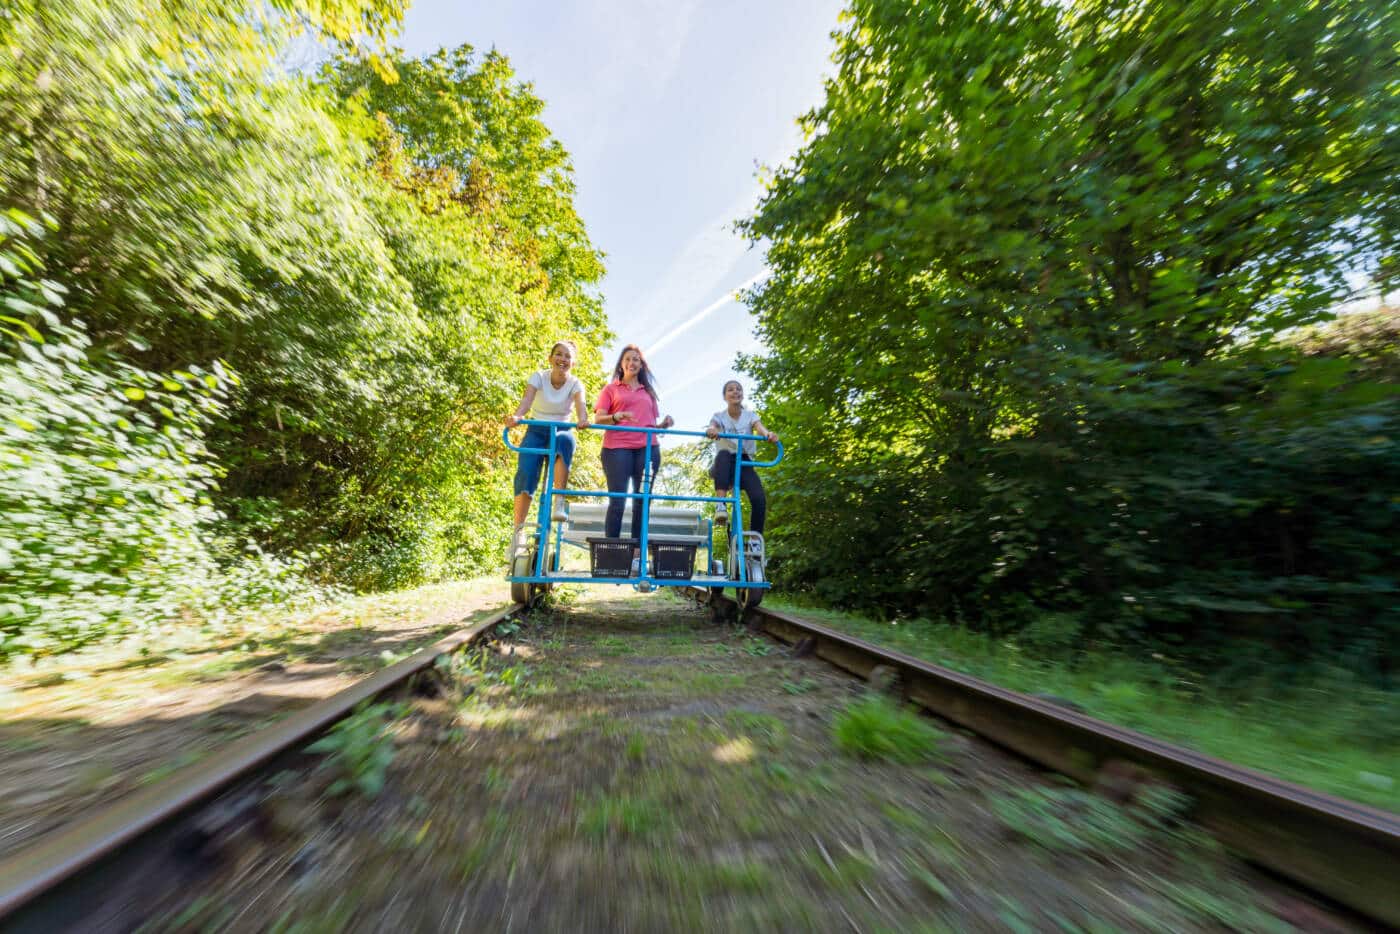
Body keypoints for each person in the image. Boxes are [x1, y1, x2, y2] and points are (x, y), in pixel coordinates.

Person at [505, 341, 589, 556]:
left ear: (573, 362)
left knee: (566, 442)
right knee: (527, 472)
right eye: (559, 355)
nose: (563, 359)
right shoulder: (539, 377)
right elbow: (527, 399)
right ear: (550, 358)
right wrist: (518, 417)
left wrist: (582, 419)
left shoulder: (575, 383)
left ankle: (558, 501)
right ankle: (518, 532)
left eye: (567, 356)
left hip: (561, 428)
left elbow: (581, 405)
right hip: (536, 428)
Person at [594, 345, 674, 557]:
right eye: (628, 359)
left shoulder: (648, 392)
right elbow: (598, 418)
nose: (632, 362)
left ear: (641, 365)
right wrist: (616, 417)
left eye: (636, 360)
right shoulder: (611, 389)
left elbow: (648, 424)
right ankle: (611, 552)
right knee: (618, 500)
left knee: (642, 500)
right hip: (616, 448)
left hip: (647, 449)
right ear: (621, 363)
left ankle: (637, 554)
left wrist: (664, 425)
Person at [705, 379, 777, 535]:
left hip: (744, 462)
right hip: (724, 464)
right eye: (730, 389)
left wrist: (768, 434)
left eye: (738, 389)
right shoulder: (719, 416)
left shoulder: (750, 415)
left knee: (759, 499)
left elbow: (760, 428)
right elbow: (713, 426)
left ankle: (755, 542)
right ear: (725, 396)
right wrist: (712, 430)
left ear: (742, 395)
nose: (735, 391)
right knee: (724, 454)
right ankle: (721, 505)